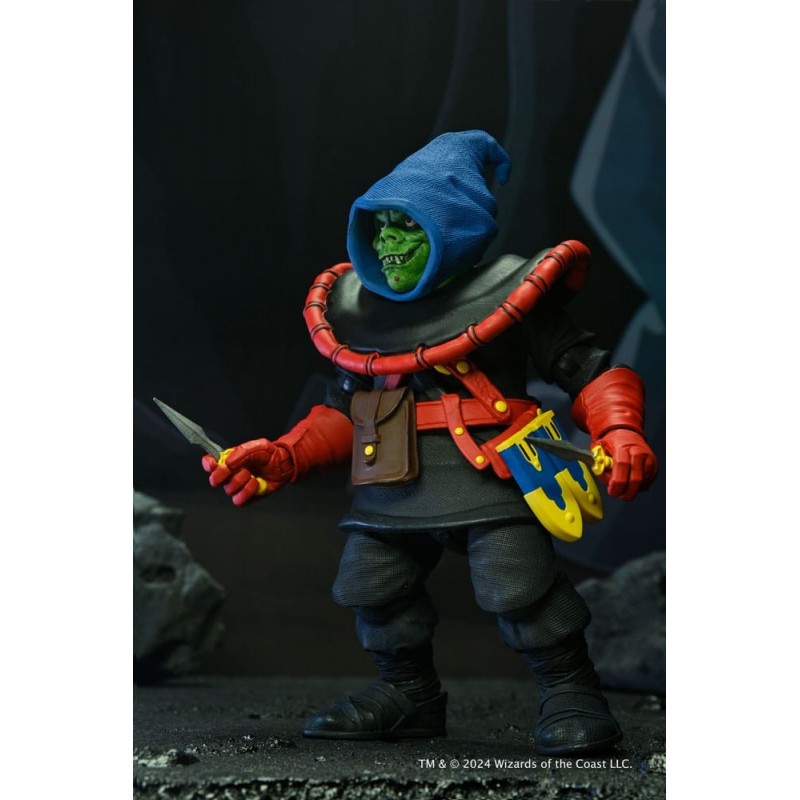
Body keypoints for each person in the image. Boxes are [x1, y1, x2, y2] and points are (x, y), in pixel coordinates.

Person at [202, 131, 658, 754]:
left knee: (520, 585)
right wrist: (284, 457)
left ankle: (571, 692)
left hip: (493, 474)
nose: (387, 242)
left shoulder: (511, 298)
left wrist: (619, 428)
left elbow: (588, 370)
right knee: (371, 584)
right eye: (379, 226)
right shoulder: (364, 315)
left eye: (405, 226)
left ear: (451, 228)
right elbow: (345, 410)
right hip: (393, 482)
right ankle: (409, 694)